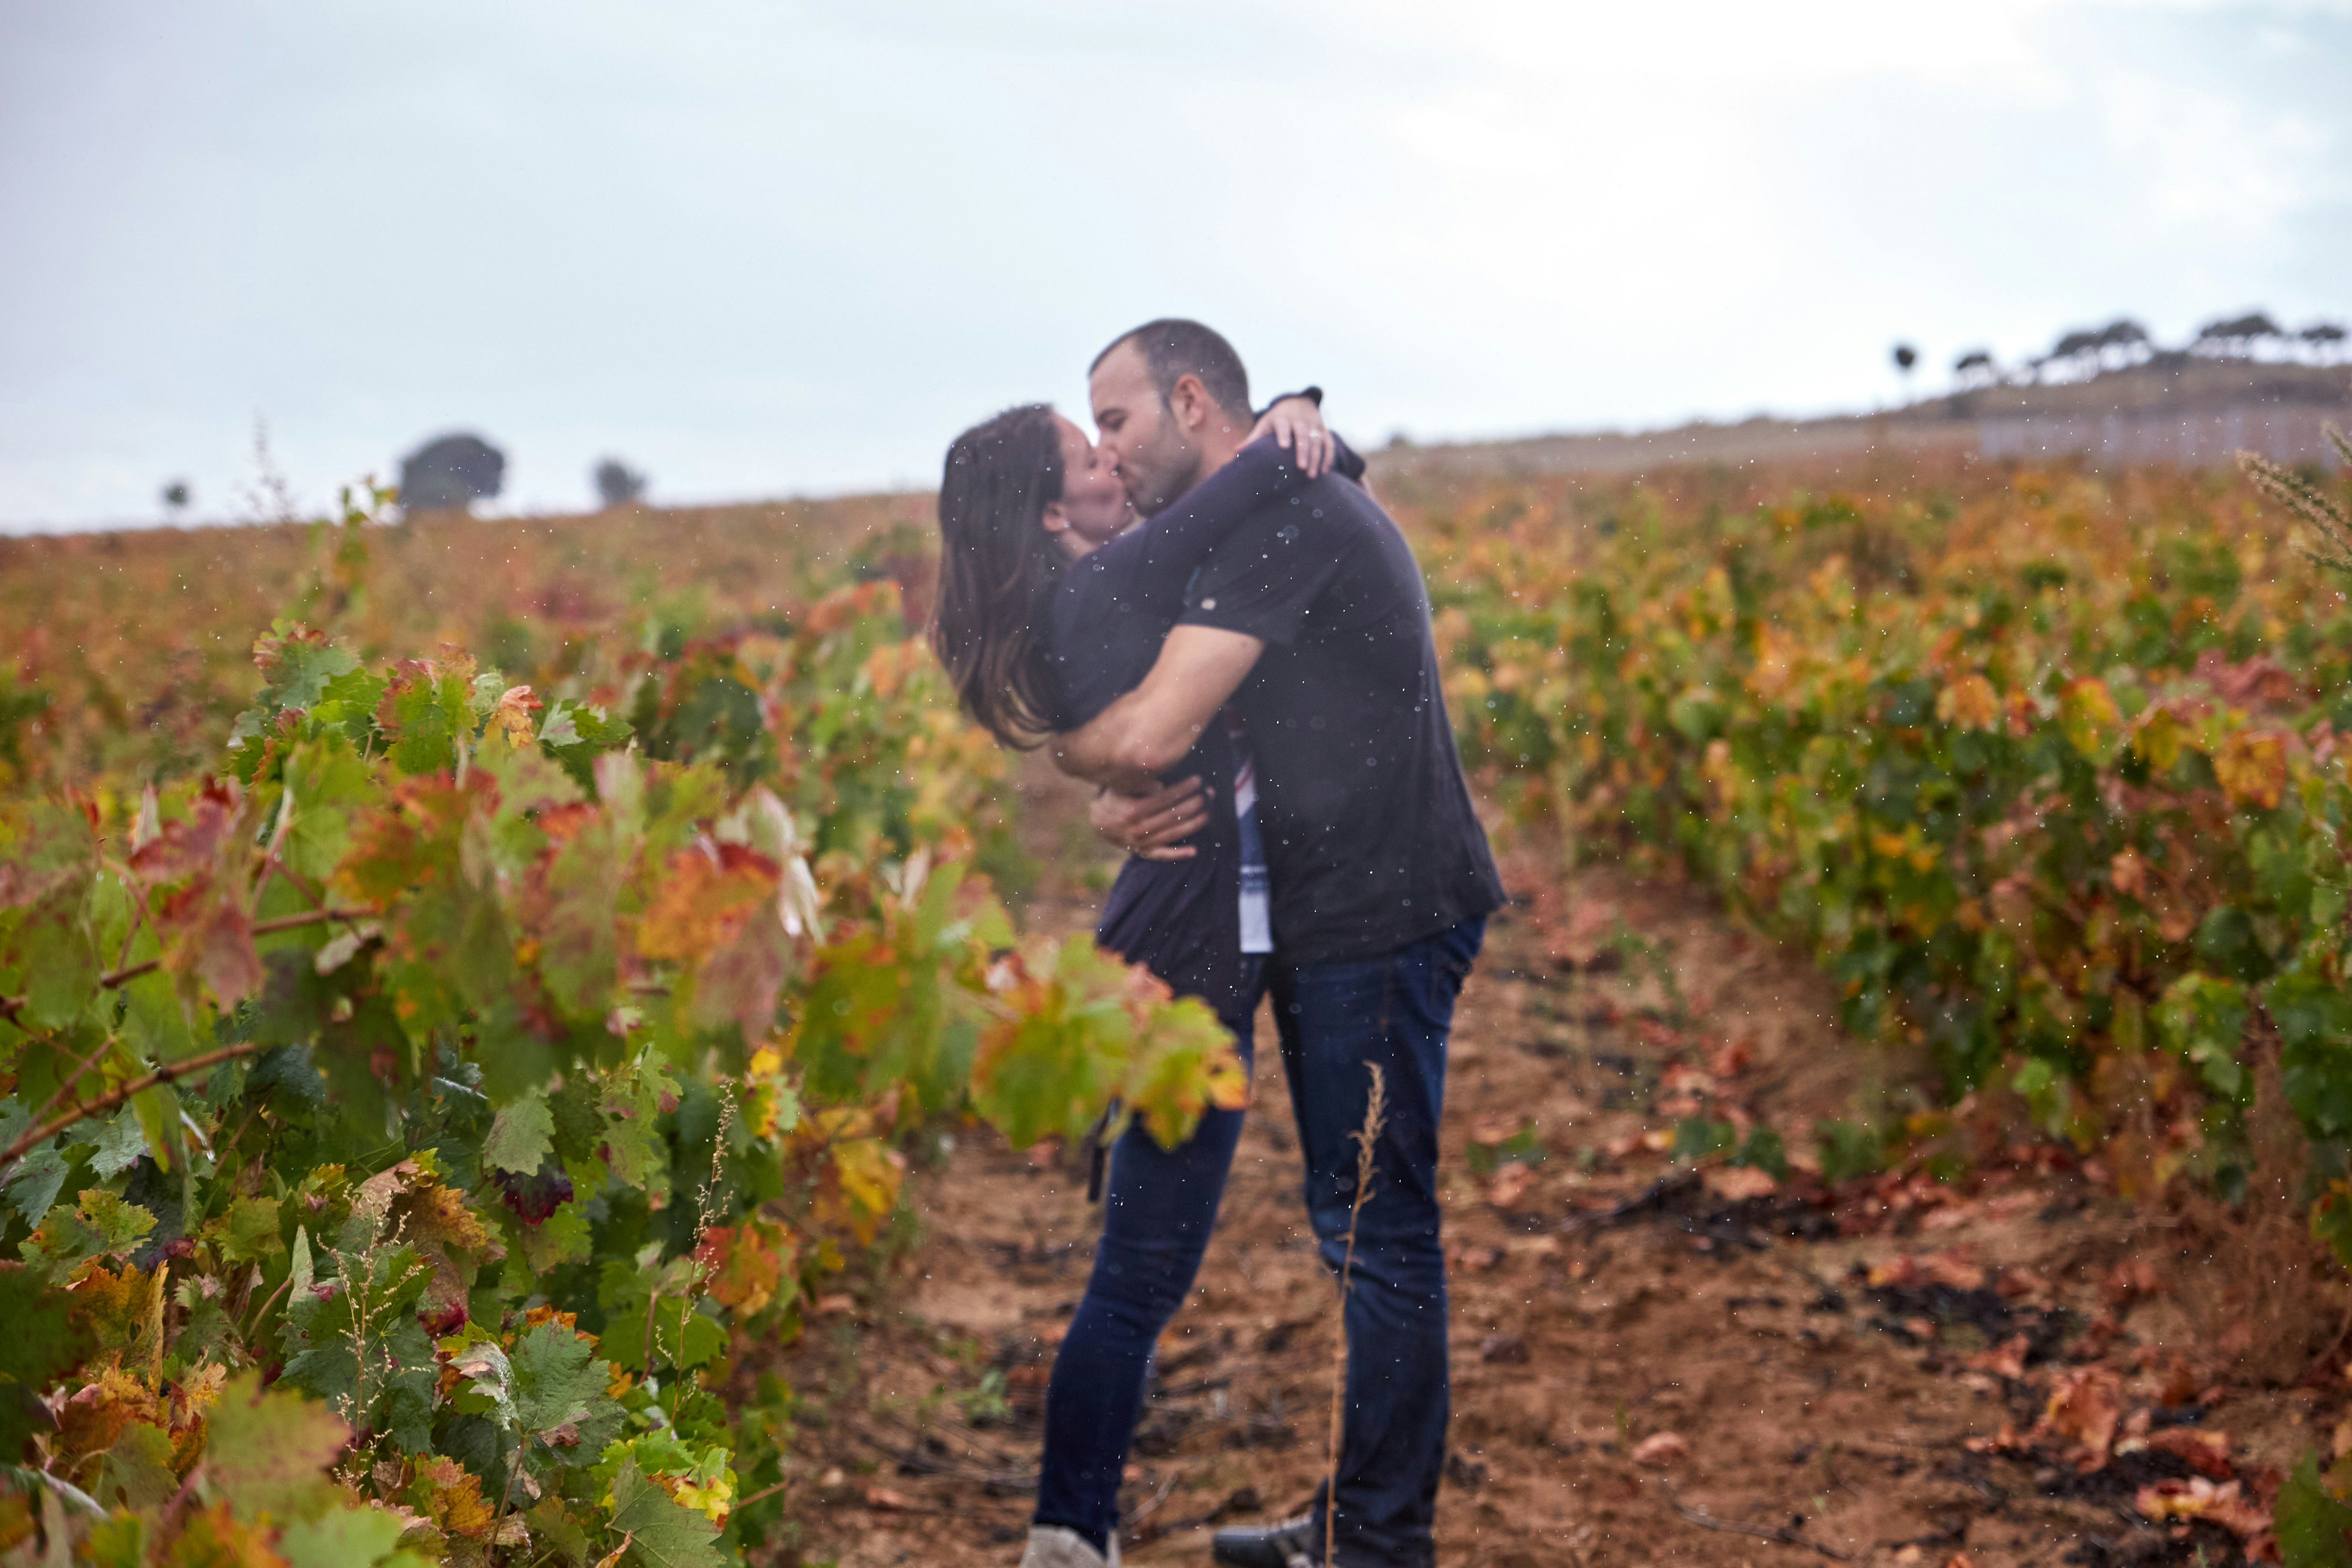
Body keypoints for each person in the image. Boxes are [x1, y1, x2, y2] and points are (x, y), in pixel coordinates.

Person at [1054, 320, 1504, 1568]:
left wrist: (1071, 753)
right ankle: (1356, 1521)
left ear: (1192, 402)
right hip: (1332, 912)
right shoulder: (1262, 505)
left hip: (1382, 915)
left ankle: (1375, 1544)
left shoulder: (1284, 517)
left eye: (1117, 420)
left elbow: (1149, 727)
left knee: (1375, 1233)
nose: (1104, 451)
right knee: (1360, 1227)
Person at [930, 381, 1358, 1568]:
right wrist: (1287, 408)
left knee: (1139, 1271)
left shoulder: (1087, 591)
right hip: (1182, 955)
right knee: (1140, 1275)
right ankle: (1067, 1535)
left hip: (1184, 936)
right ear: (1047, 511)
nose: (1113, 466)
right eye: (1087, 455)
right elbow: (1256, 477)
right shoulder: (1109, 579)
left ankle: (1071, 1527)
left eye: (1108, 441)